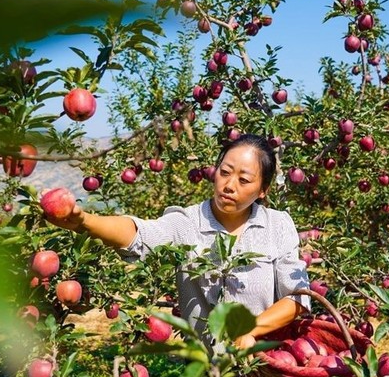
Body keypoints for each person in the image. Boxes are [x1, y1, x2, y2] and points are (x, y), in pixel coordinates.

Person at [45, 133, 311, 351]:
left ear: (263, 190)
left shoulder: (278, 225)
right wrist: (85, 221)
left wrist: (250, 328)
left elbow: (297, 296)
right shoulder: (187, 223)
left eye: (244, 180)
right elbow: (139, 235)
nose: (229, 185)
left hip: (266, 363)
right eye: (225, 172)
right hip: (205, 368)